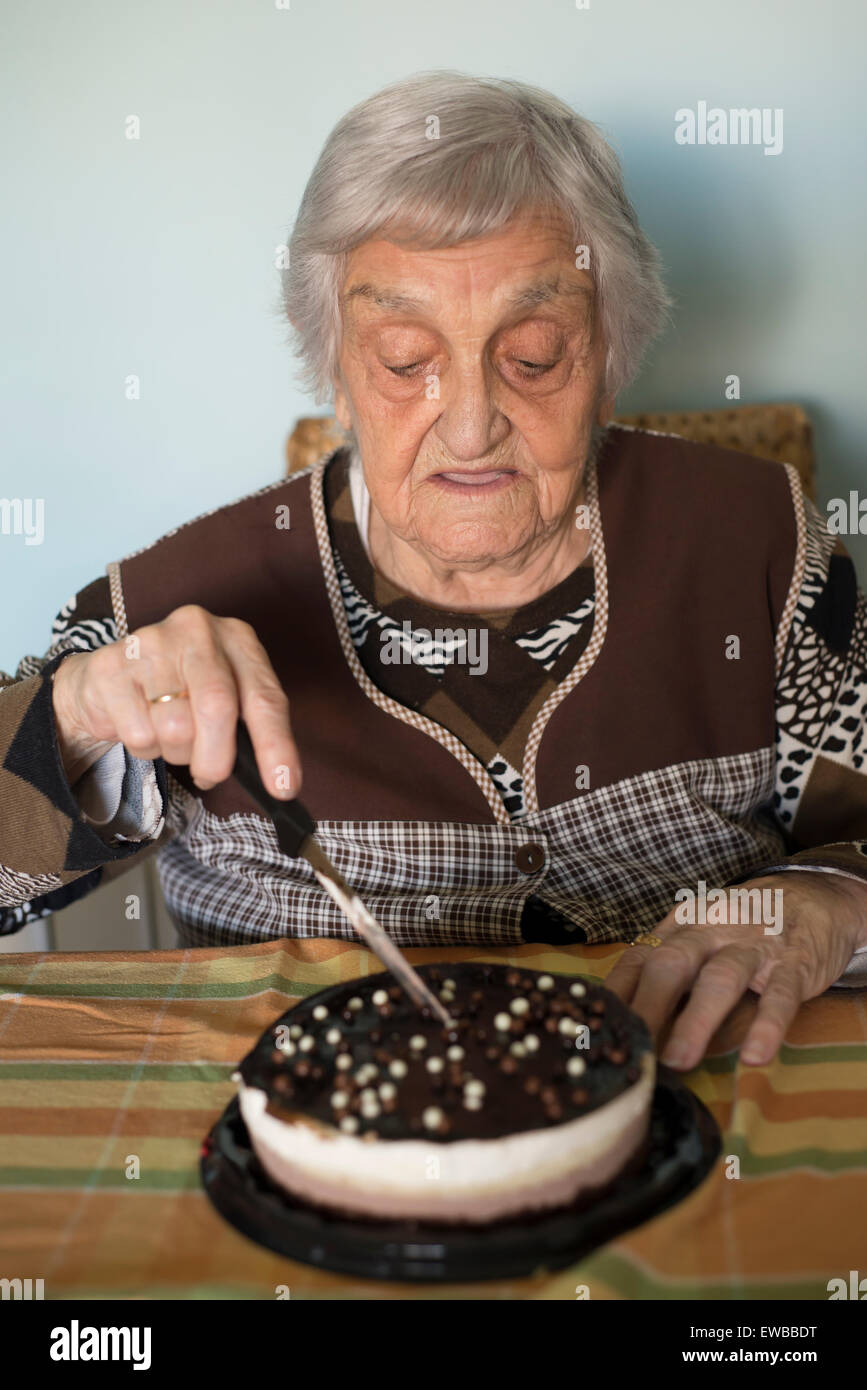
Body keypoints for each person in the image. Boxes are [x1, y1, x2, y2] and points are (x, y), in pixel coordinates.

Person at [3, 71, 867, 1072]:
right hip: (289, 1173)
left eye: (535, 356)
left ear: (611, 354)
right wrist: (73, 721)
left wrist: (825, 903)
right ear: (334, 364)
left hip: (691, 1131)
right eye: (406, 358)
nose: (467, 423)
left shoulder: (761, 543)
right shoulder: (170, 605)